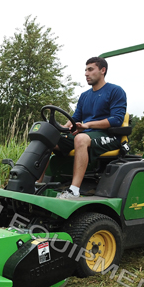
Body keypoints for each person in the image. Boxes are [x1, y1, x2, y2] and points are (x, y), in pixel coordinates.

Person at [54, 56, 127, 199]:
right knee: (49, 138)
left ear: (102, 70)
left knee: (80, 138)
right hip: (86, 134)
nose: (86, 73)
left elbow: (117, 119)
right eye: (85, 70)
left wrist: (88, 125)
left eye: (90, 69)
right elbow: (75, 118)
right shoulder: (84, 96)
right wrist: (61, 127)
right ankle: (35, 184)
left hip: (109, 135)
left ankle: (74, 190)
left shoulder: (115, 91)